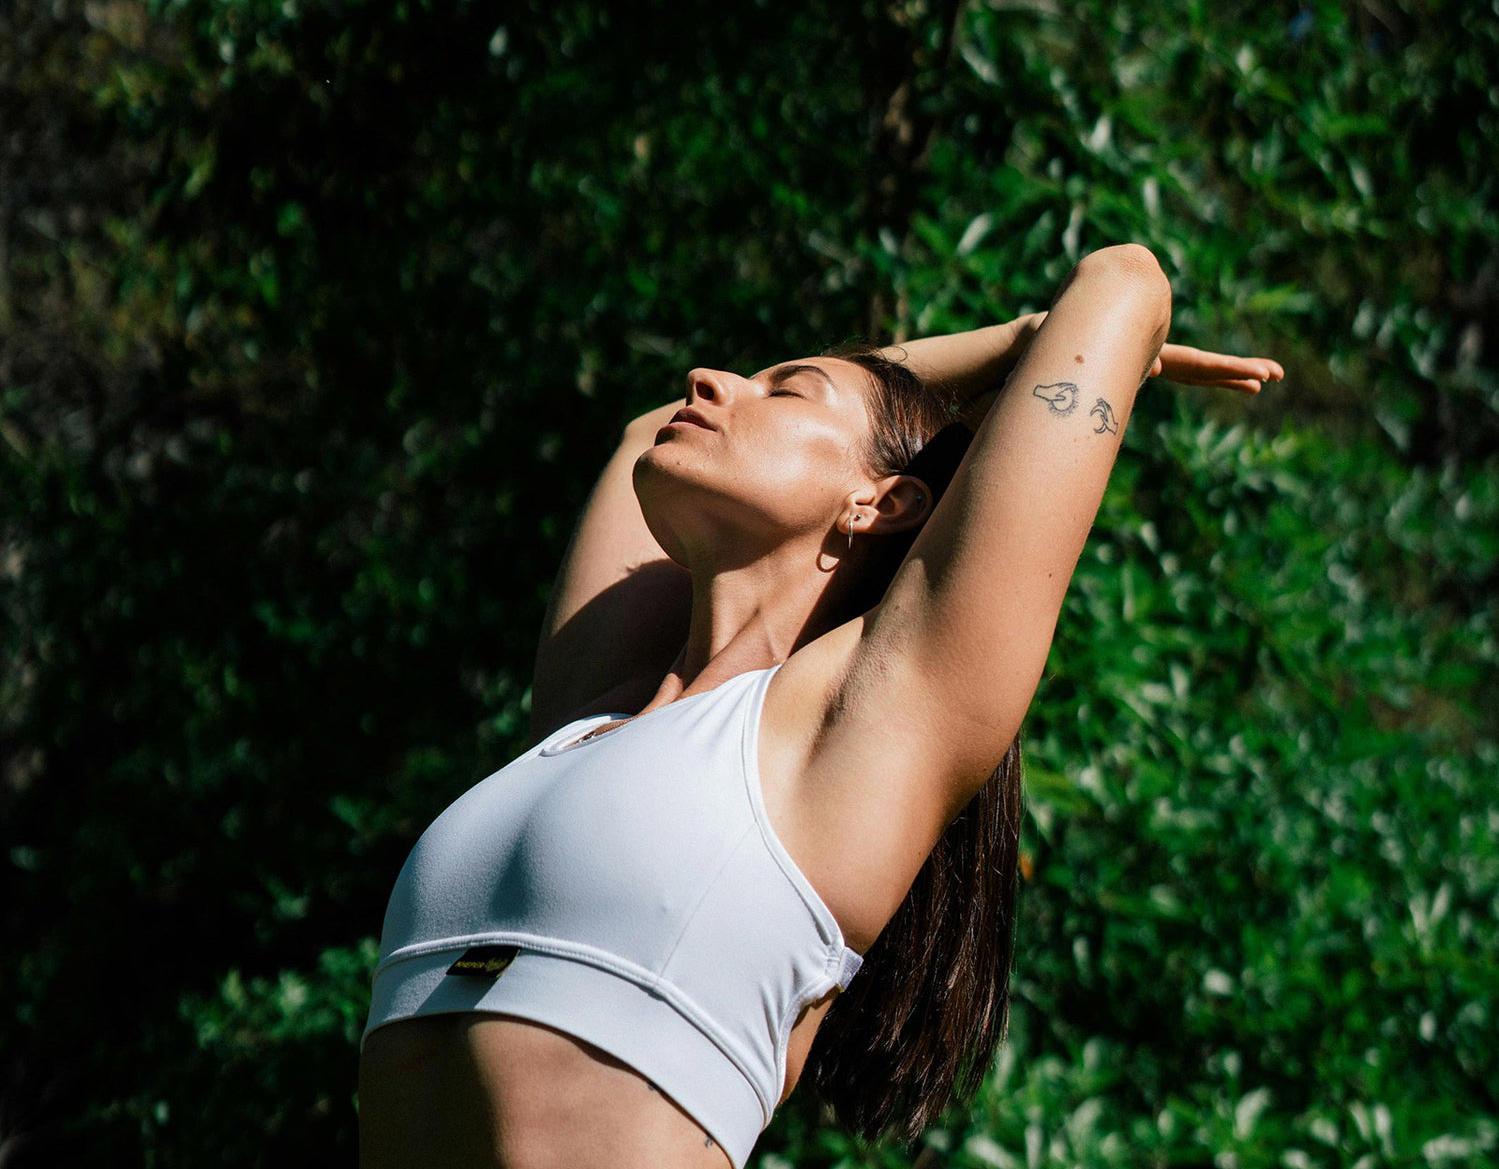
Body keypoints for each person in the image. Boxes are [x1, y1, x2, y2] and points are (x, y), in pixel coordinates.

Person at [357, 244, 1283, 1169]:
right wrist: (1012, 341)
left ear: (882, 502)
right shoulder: (585, 725)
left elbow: (1124, 282)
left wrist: (1034, 353)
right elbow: (648, 432)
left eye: (785, 392)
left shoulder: (857, 732)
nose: (711, 380)